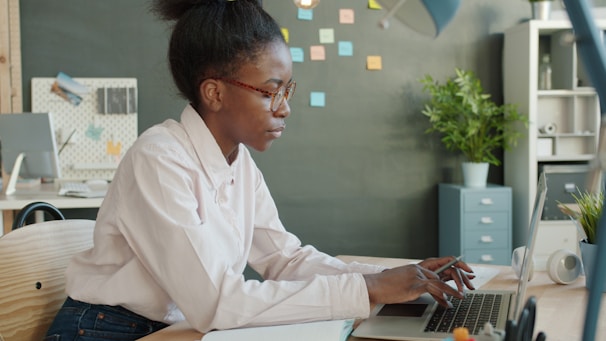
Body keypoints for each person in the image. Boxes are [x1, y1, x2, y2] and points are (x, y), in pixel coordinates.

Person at [44, 0, 474, 340]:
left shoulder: (238, 161)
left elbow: (284, 259)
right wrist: (367, 290)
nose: (284, 107)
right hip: (106, 331)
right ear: (214, 92)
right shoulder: (158, 160)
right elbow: (217, 303)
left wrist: (385, 278)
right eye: (270, 92)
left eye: (287, 89)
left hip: (177, 327)